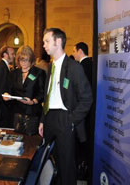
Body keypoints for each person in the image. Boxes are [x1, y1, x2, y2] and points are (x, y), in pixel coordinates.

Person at [39, 28, 92, 185]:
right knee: (49, 162)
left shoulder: (74, 67)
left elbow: (87, 98)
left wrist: (71, 120)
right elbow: (47, 96)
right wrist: (43, 119)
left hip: (65, 119)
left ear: (58, 42)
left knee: (67, 166)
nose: (44, 45)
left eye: (47, 41)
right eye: (44, 42)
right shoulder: (50, 67)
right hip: (50, 119)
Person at [3, 45, 45, 135]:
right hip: (16, 114)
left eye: (26, 60)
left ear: (31, 59)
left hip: (33, 113)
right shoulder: (13, 73)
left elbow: (42, 92)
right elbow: (9, 90)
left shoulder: (38, 72)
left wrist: (33, 101)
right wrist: (7, 95)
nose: (23, 62)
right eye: (21, 59)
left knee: (31, 142)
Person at [73, 42, 94, 180]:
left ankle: (82, 169)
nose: (73, 54)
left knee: (82, 141)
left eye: (74, 51)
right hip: (90, 110)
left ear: (80, 51)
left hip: (82, 110)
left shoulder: (81, 67)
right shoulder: (92, 64)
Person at [0, 45, 15, 127]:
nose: (14, 56)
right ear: (5, 55)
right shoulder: (2, 67)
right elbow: (2, 88)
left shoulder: (3, 66)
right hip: (2, 106)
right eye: (12, 54)